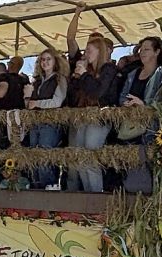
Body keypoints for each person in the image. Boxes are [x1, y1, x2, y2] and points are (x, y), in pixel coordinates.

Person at [69, 37, 118, 193]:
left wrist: (84, 75)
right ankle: (88, 193)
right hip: (85, 116)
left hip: (101, 118)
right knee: (81, 156)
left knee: (90, 153)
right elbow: (74, 95)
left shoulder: (108, 69)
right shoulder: (89, 72)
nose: (86, 54)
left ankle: (96, 194)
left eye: (90, 50)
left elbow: (98, 92)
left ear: (100, 52)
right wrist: (77, 77)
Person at [26, 48, 69, 190]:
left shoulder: (59, 79)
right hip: (35, 123)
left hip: (50, 124)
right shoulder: (37, 81)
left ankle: (49, 189)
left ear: (55, 61)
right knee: (34, 157)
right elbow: (28, 104)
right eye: (42, 60)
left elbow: (57, 102)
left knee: (45, 157)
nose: (45, 62)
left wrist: (37, 104)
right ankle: (36, 188)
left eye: (48, 59)